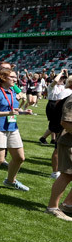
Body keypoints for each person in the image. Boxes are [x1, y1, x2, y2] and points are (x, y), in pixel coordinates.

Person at [46, 93, 72, 221]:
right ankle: (52, 207)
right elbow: (66, 122)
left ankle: (68, 205)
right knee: (67, 174)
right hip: (69, 142)